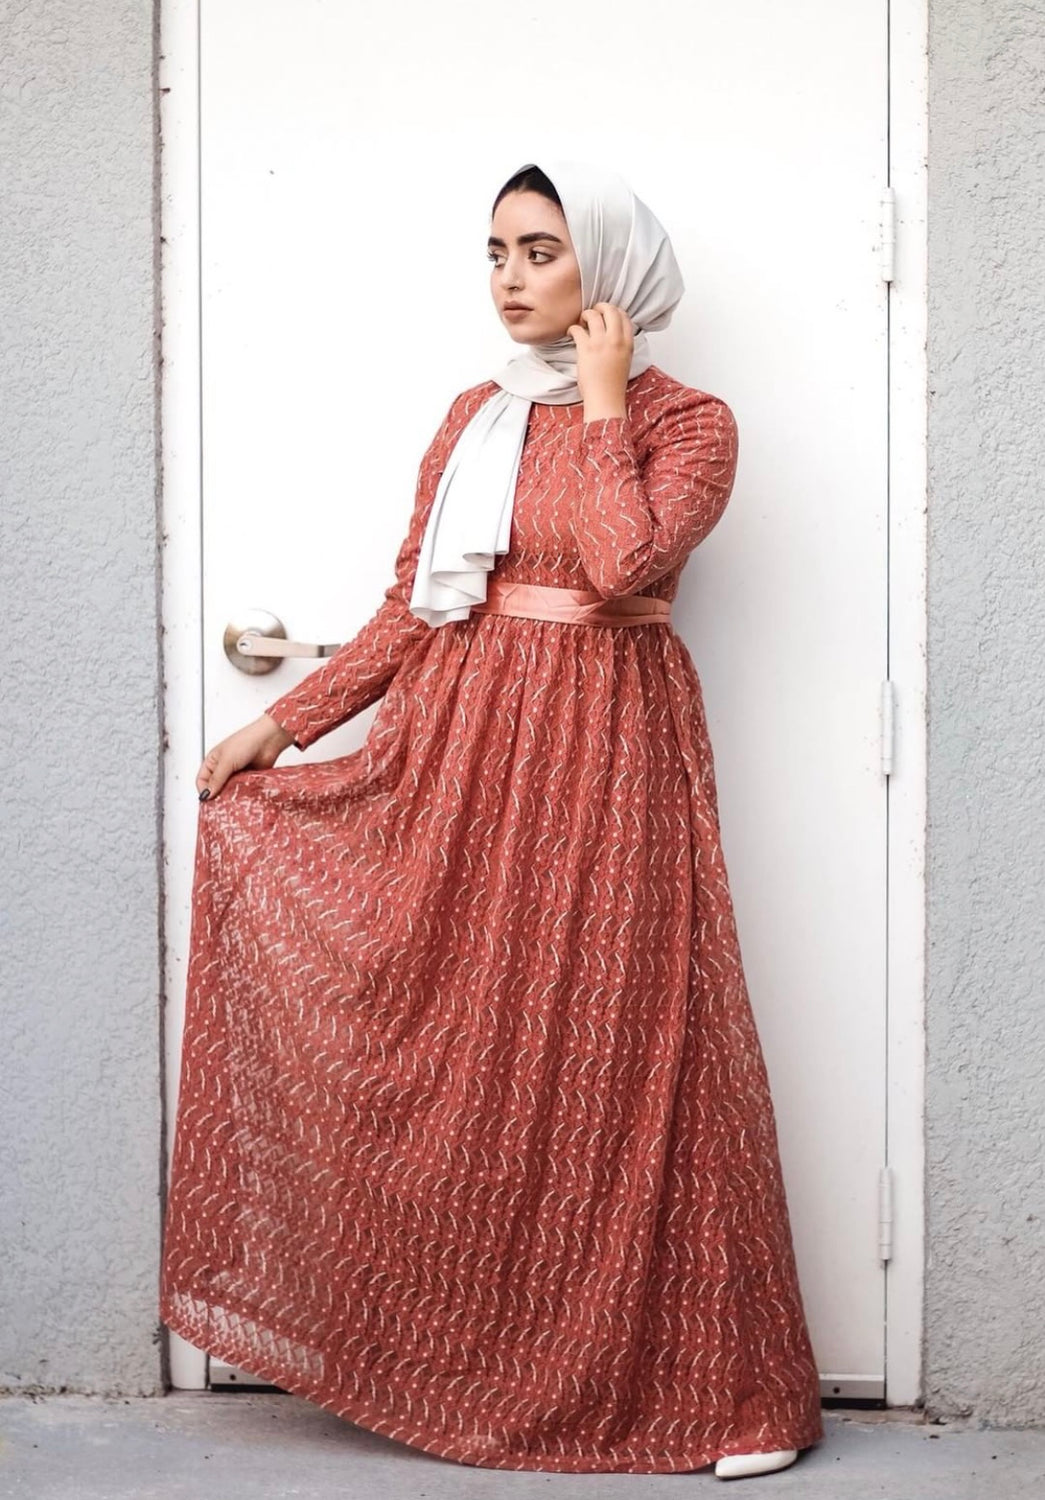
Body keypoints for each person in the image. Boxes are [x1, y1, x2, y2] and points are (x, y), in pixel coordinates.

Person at [159, 159, 825, 1478]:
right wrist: (279, 727)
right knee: (464, 1048)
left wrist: (594, 403)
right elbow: (415, 605)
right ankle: (460, 1367)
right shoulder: (471, 416)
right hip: (463, 750)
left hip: (607, 750)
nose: (510, 281)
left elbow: (626, 561)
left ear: (611, 278)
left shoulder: (692, 422)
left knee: (634, 1045)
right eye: (497, 253)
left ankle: (729, 1398)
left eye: (539, 253)